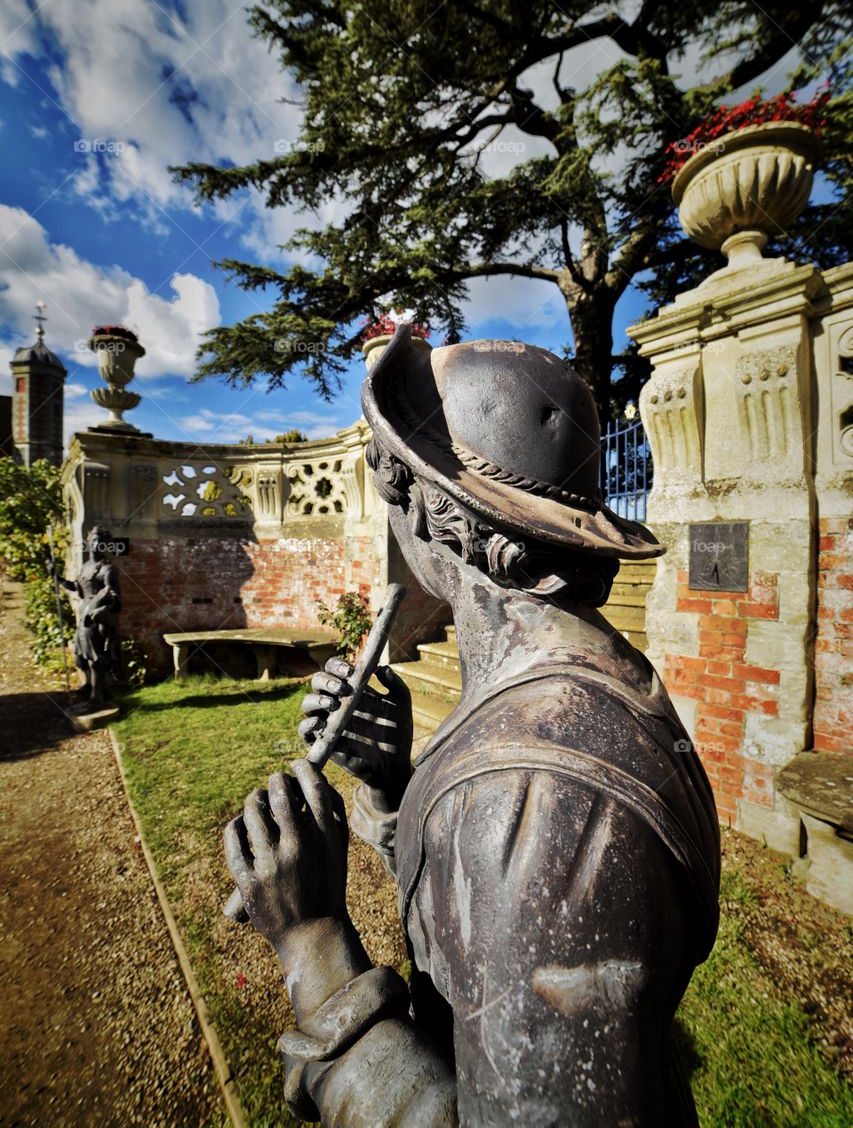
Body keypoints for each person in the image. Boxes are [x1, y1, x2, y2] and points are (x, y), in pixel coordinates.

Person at [225, 327, 720, 1126]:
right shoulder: (562, 693)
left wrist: (313, 945)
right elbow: (475, 932)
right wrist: (396, 786)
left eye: (396, 496)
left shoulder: (529, 790)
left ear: (432, 512)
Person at [48, 525, 121, 706]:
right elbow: (77, 588)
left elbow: (117, 600)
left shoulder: (107, 570)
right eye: (94, 540)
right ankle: (93, 687)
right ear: (88, 543)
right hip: (84, 614)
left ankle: (96, 697)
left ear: (106, 546)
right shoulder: (86, 567)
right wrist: (57, 578)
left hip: (96, 618)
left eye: (101, 541)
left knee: (96, 658)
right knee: (81, 655)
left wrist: (102, 610)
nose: (97, 544)